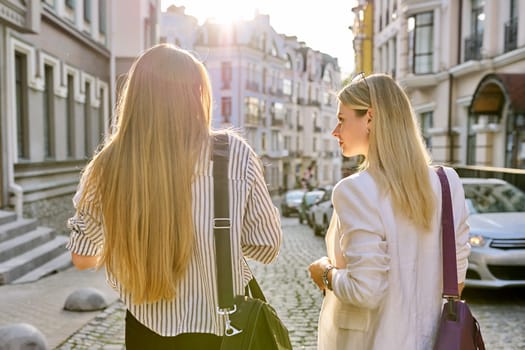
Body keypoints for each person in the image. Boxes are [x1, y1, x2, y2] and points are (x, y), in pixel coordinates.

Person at [66, 43, 282, 349]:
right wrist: (217, 239)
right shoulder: (232, 155)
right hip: (223, 332)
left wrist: (135, 242)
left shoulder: (107, 166)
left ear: (136, 97)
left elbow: (82, 257)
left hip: (144, 330)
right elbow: (266, 245)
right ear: (196, 93)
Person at [308, 73, 471, 349]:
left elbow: (365, 290)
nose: (335, 131)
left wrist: (324, 273)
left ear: (369, 118)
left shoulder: (355, 190)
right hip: (436, 341)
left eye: (342, 119)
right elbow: (458, 278)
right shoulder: (447, 183)